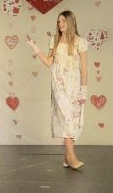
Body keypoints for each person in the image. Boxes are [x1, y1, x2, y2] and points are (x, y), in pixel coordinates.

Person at [29, 11, 89, 169]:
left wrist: (83, 89)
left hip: (74, 86)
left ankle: (67, 157)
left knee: (73, 119)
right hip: (59, 84)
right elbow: (49, 62)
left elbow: (84, 69)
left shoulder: (80, 42)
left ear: (70, 22)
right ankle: (72, 158)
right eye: (58, 21)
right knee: (66, 117)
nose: (60, 24)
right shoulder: (54, 40)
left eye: (63, 21)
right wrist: (36, 48)